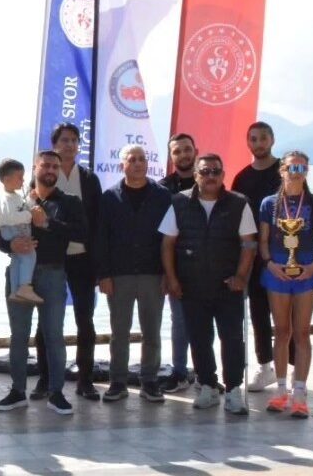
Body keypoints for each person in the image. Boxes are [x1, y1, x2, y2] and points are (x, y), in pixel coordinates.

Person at [161, 154, 258, 415]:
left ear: (223, 175)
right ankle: (207, 386)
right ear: (196, 175)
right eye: (205, 171)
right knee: (199, 339)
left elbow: (249, 243)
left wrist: (241, 277)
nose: (211, 176)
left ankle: (234, 390)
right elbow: (168, 243)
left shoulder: (239, 203)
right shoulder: (178, 202)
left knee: (232, 339)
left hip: (228, 287)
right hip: (191, 286)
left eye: (216, 171)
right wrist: (172, 279)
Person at [0, 152, 83, 415]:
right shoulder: (19, 197)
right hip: (19, 274)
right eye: (46, 165)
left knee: (54, 335)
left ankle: (56, 393)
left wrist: (48, 223)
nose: (51, 170)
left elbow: (81, 232)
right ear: (35, 168)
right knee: (19, 335)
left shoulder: (70, 201)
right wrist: (10, 244)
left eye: (56, 166)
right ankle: (17, 391)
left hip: (52, 274)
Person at [95, 144, 173, 403]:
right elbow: (101, 238)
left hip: (153, 273)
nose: (138, 163)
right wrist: (103, 275)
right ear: (122, 165)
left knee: (152, 331)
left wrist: (168, 273)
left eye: (142, 159)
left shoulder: (163, 196)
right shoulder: (109, 197)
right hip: (120, 275)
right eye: (132, 159)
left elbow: (170, 237)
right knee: (119, 332)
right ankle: (118, 382)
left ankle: (149, 381)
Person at [257, 150, 313, 417]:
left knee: (302, 332)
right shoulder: (269, 203)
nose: (296, 173)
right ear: (282, 170)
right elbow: (263, 240)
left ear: (307, 171)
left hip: (306, 270)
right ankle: (280, 391)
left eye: (301, 168)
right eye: (291, 168)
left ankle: (300, 392)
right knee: (281, 331)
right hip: (277, 270)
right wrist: (269, 264)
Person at [34, 123, 103, 401]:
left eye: (74, 140)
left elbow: (96, 223)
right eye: (64, 140)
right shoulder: (42, 176)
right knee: (46, 323)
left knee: (85, 321)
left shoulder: (89, 178)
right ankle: (45, 379)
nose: (70, 145)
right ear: (54, 144)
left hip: (82, 259)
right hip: (50, 261)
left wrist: (100, 265)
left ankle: (85, 380)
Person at [231, 122, 285, 393]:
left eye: (263, 138)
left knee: (286, 314)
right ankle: (265, 367)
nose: (258, 143)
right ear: (247, 143)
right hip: (253, 255)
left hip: (283, 254)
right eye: (253, 139)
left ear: (272, 140)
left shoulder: (286, 171)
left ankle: (292, 370)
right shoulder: (242, 178)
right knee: (258, 313)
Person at [158, 132, 198, 393]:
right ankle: (180, 372)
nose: (183, 155)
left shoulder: (209, 180)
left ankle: (205, 373)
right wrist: (166, 272)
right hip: (176, 265)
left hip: (207, 264)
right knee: (180, 321)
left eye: (187, 149)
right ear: (171, 157)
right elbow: (159, 235)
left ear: (195, 151)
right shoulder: (162, 189)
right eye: (177, 151)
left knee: (205, 322)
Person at [0, 159, 40, 305]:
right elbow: (13, 217)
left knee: (17, 259)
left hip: (13, 230)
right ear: (7, 179)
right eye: (20, 177)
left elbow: (24, 207)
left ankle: (15, 290)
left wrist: (31, 200)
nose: (23, 180)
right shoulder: (6, 199)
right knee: (29, 254)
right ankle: (25, 286)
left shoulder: (15, 196)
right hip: (13, 230)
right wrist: (30, 215)